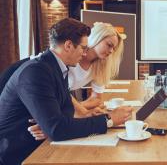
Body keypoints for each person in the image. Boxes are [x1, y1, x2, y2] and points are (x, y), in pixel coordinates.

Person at [0, 18, 133, 165]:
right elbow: (57, 129)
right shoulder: (37, 72)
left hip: (38, 143)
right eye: (83, 48)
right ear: (68, 45)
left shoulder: (59, 68)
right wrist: (109, 119)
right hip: (19, 153)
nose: (84, 54)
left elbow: (65, 112)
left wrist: (51, 124)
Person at [28, 22, 127, 140]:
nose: (111, 51)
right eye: (109, 45)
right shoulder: (50, 65)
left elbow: (93, 99)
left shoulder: (99, 65)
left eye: (113, 48)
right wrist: (83, 113)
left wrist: (82, 112)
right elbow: (64, 98)